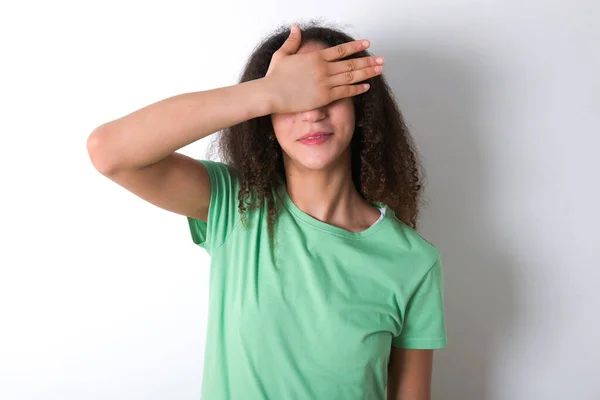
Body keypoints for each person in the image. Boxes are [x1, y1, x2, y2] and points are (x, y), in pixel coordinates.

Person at [87, 21, 447, 400]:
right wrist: (268, 91)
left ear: (361, 107)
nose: (312, 113)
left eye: (329, 92)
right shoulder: (235, 205)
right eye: (294, 98)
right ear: (267, 116)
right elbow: (109, 151)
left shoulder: (414, 262)